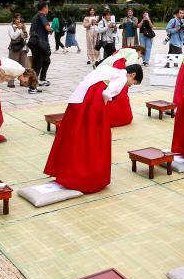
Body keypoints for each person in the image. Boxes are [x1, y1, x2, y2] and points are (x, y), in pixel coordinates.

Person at [44, 65, 143, 193]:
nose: (129, 86)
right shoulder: (122, 76)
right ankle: (87, 176)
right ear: (132, 75)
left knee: (75, 135)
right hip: (92, 103)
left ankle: (66, 172)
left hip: (79, 98)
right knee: (93, 137)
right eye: (133, 83)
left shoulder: (109, 69)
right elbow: (107, 93)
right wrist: (110, 100)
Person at [95, 46, 145, 127]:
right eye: (141, 55)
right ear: (139, 51)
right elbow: (130, 69)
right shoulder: (134, 53)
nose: (139, 58)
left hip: (101, 71)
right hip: (107, 75)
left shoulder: (126, 50)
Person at [28, 1, 52, 87]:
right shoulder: (42, 16)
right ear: (44, 8)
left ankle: (41, 80)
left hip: (34, 43)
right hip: (39, 44)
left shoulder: (35, 16)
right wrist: (51, 29)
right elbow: (47, 27)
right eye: (47, 7)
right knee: (38, 64)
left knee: (46, 60)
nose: (48, 9)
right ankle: (32, 86)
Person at [7, 13, 29, 88]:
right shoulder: (11, 27)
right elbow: (13, 37)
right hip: (14, 48)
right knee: (13, 65)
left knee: (23, 66)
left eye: (19, 18)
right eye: (17, 19)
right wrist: (19, 29)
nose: (18, 20)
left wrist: (24, 30)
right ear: (13, 19)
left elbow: (25, 37)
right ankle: (10, 82)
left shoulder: (21, 27)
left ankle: (22, 81)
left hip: (23, 48)